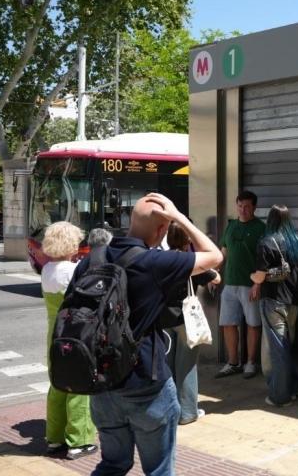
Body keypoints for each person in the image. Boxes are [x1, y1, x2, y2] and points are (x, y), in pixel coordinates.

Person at [73, 193, 223, 476]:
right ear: (162, 229)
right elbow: (215, 257)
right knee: (158, 470)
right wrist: (179, 217)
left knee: (113, 464)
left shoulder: (91, 260)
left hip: (102, 384)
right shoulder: (155, 262)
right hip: (146, 383)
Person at [41, 221, 98, 460]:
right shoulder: (72, 271)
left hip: (53, 332)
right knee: (80, 384)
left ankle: (54, 437)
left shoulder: (47, 270)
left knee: (58, 383)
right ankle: (80, 440)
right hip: (74, 332)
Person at [161, 221, 221, 425]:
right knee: (186, 367)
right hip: (186, 321)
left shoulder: (160, 259)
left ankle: (169, 409)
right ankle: (187, 412)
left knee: (167, 366)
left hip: (163, 319)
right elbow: (216, 278)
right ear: (188, 239)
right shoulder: (192, 261)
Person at [250, 204, 298, 407]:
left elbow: (260, 275)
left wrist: (252, 277)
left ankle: (280, 396)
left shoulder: (266, 243)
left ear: (270, 220)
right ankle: (293, 389)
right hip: (294, 300)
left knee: (277, 350)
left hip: (273, 300)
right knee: (285, 346)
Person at [215, 191, 265, 379]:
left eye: (247, 206)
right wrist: (215, 272)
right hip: (230, 284)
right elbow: (223, 253)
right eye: (240, 206)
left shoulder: (261, 229)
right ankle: (233, 362)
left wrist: (258, 284)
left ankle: (251, 363)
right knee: (228, 323)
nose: (243, 210)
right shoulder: (231, 227)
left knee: (253, 324)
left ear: (254, 208)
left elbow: (264, 260)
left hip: (250, 285)